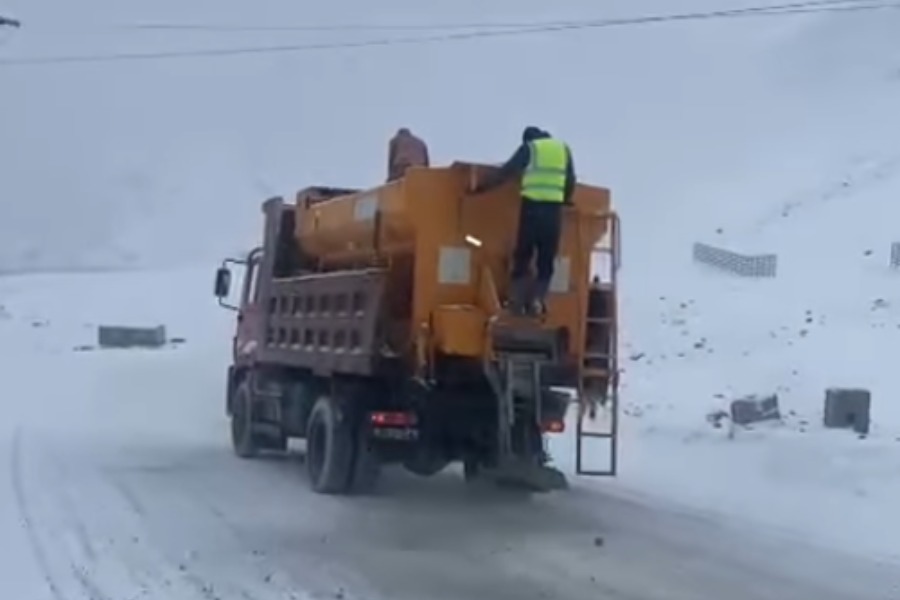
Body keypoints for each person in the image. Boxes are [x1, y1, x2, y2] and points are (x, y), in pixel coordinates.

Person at [468, 126, 576, 315]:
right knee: (546, 261)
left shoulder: (531, 148)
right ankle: (537, 299)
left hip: (532, 210)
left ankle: (516, 301)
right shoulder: (563, 149)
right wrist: (565, 199)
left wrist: (481, 188)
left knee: (523, 256)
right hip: (553, 213)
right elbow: (570, 181)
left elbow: (507, 171)